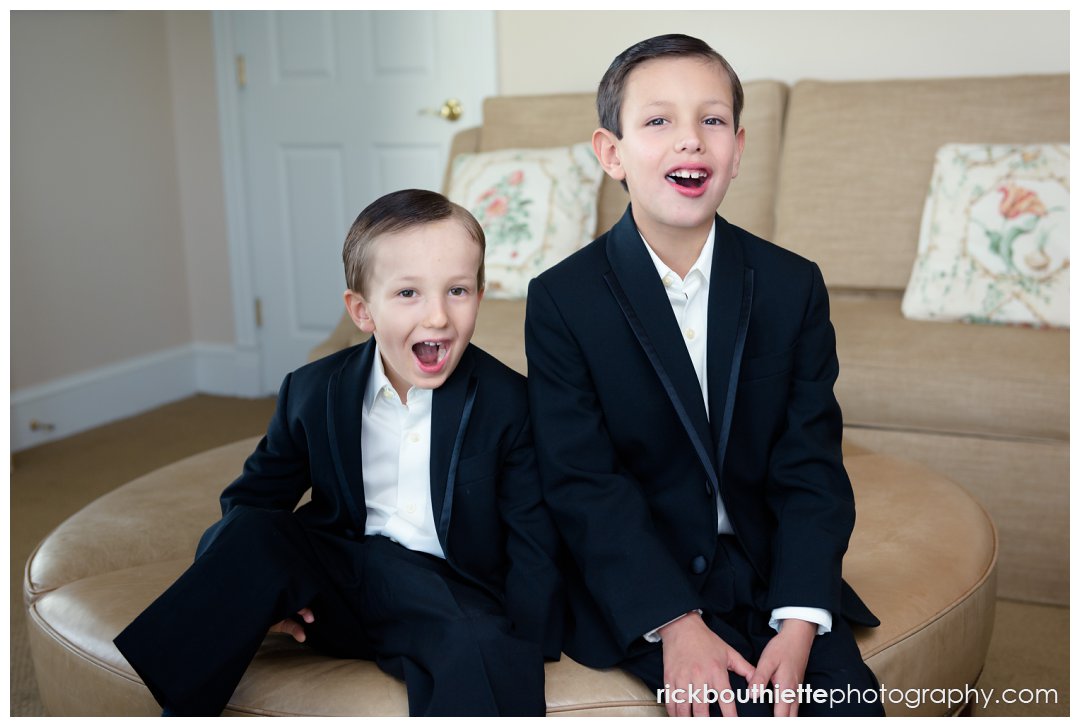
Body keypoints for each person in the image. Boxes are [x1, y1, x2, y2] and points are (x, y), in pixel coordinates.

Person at [524, 34, 883, 717]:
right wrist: (677, 623)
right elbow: (583, 481)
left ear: (739, 149)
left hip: (772, 563)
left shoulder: (791, 285)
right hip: (653, 572)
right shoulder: (563, 300)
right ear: (612, 153)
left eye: (711, 120)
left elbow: (811, 462)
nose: (690, 141)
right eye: (658, 121)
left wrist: (802, 616)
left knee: (847, 705)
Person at [115, 189, 562, 717]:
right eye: (408, 294)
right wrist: (258, 592)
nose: (438, 316)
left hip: (442, 593)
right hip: (336, 577)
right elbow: (251, 501)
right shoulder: (312, 391)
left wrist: (531, 635)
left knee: (482, 645)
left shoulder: (509, 402)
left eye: (458, 291)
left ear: (480, 296)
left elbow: (535, 537)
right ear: (362, 310)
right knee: (251, 532)